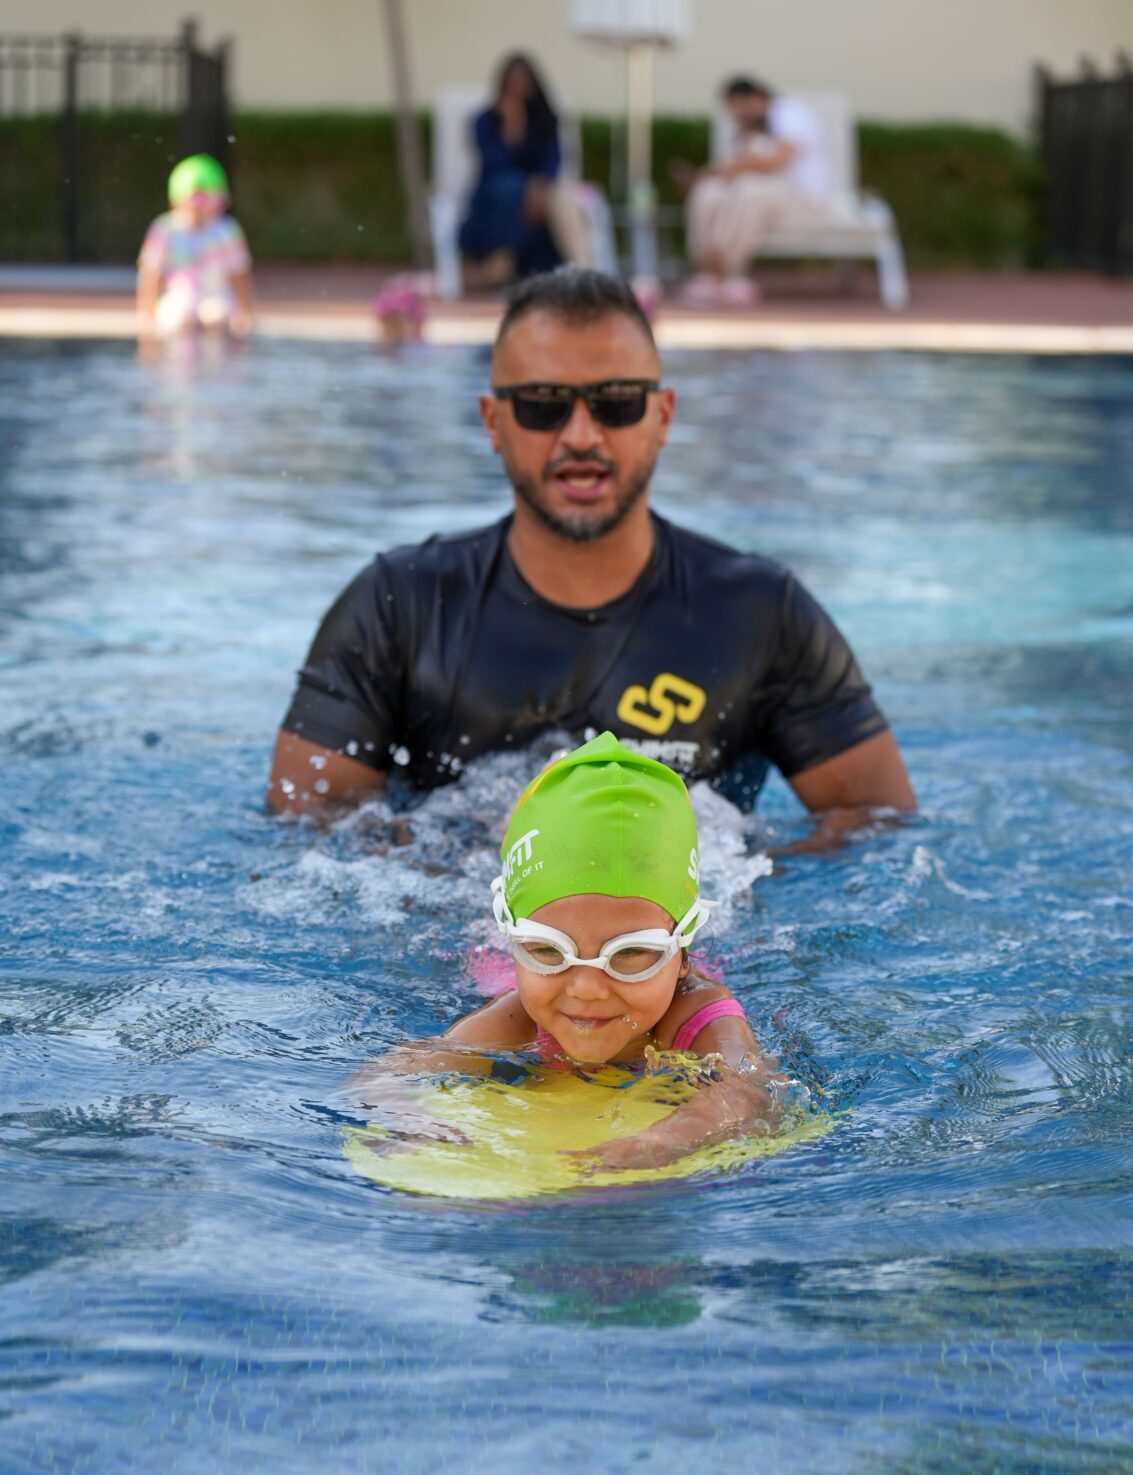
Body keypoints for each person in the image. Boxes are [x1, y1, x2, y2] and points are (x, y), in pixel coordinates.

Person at [268, 265, 915, 848]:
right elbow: (311, 821)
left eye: (616, 403)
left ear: (663, 416)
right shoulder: (398, 606)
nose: (581, 436)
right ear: (492, 422)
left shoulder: (761, 614)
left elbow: (875, 820)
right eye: (542, 406)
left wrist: (714, 902)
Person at [350, 731, 786, 1174]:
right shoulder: (521, 1014)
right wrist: (415, 1121)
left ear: (684, 956)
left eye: (631, 954)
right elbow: (383, 1075)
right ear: (515, 942)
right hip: (486, 969)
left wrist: (657, 1143)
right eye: (546, 949)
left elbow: (745, 1094)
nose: (586, 988)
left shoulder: (698, 1013)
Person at [681, 76, 832, 305]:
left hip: (802, 198)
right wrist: (707, 176)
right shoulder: (752, 127)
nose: (736, 114)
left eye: (738, 106)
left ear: (757, 98)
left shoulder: (790, 114)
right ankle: (706, 271)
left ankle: (726, 273)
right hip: (767, 194)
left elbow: (775, 162)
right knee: (708, 192)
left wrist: (728, 168)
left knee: (749, 190)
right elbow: (738, 167)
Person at [458, 54, 594, 287]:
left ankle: (584, 272)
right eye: (513, 83)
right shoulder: (485, 121)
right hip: (496, 201)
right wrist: (512, 127)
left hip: (540, 196)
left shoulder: (546, 119)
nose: (518, 89)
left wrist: (537, 186)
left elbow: (553, 162)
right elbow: (493, 163)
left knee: (560, 198)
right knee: (511, 190)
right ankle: (500, 263)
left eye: (524, 83)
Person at [136, 154, 254, 339]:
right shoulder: (166, 230)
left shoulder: (226, 230)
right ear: (177, 201)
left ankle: (216, 358)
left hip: (217, 296)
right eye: (194, 203)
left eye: (206, 203)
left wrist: (246, 313)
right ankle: (181, 358)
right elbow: (151, 274)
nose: (199, 211)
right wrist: (147, 317)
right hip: (179, 298)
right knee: (180, 321)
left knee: (217, 317)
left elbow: (240, 273)